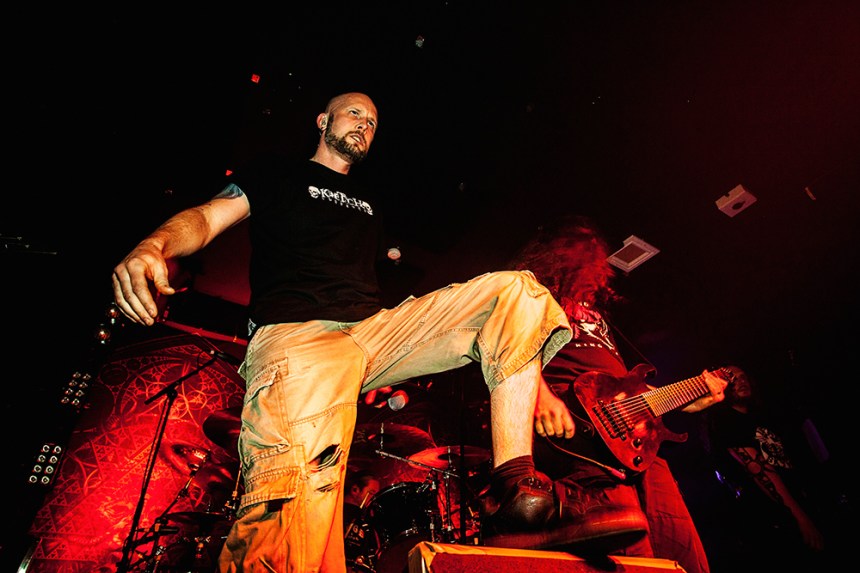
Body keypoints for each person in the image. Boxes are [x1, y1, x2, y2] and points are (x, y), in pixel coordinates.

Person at [111, 91, 627, 572]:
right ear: (323, 121)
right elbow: (206, 217)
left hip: (372, 331)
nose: (364, 124)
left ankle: (515, 490)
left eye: (373, 122)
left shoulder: (371, 204)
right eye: (354, 113)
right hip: (298, 337)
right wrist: (155, 246)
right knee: (295, 520)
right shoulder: (277, 172)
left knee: (516, 292)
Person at [487, 214, 728, 573]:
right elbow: (505, 344)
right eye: (582, 250)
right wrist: (538, 394)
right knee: (628, 551)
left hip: (636, 444)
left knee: (679, 544)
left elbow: (628, 390)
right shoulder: (533, 294)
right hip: (581, 433)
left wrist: (688, 399)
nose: (595, 260)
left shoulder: (600, 317)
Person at [703, 364, 826, 571]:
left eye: (743, 377)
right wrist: (800, 517)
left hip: (796, 505)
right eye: (733, 379)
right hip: (771, 520)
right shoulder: (725, 421)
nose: (741, 381)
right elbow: (758, 470)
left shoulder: (761, 417)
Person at [342, 469, 381, 571]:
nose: (373, 499)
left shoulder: (367, 520)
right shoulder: (337, 512)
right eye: (371, 493)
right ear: (355, 490)